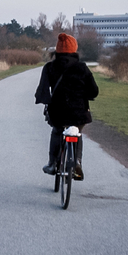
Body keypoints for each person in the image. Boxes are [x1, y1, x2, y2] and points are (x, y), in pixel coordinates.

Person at [34, 33, 99, 180]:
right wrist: (88, 96)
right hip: (79, 111)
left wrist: (45, 101)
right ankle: (77, 162)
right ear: (74, 49)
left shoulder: (49, 67)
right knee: (76, 132)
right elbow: (93, 91)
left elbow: (43, 90)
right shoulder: (82, 68)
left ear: (57, 50)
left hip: (58, 111)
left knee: (57, 131)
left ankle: (52, 164)